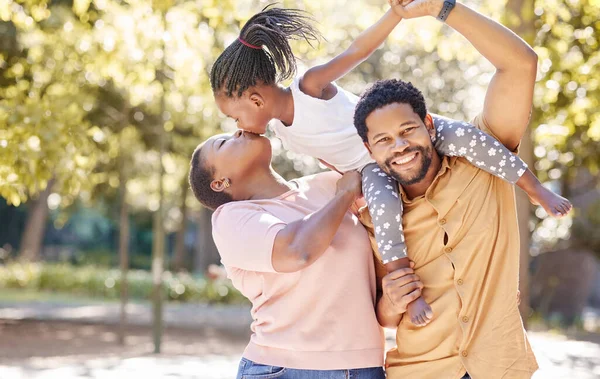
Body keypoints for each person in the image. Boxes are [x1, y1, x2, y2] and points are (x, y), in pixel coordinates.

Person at [208, 3, 571, 327]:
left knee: (470, 141)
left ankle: (534, 188)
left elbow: (357, 51)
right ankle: (408, 294)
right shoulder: (283, 134)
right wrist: (351, 191)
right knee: (385, 219)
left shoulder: (309, 88)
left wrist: (395, 14)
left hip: (402, 133)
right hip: (373, 170)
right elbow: (333, 159)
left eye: (232, 115)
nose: (235, 124)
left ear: (254, 99)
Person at [353, 0, 556, 377]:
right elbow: (382, 313)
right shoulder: (373, 217)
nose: (398, 147)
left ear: (429, 124)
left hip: (499, 365)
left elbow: (520, 64)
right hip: (417, 369)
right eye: (383, 140)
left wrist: (441, 8)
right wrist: (393, 302)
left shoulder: (486, 156)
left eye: (407, 130)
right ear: (369, 149)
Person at [188, 129, 423, 378]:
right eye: (223, 143)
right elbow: (297, 251)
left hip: (365, 366)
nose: (237, 131)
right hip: (283, 369)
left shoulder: (328, 183)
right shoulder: (232, 219)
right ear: (220, 182)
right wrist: (345, 195)